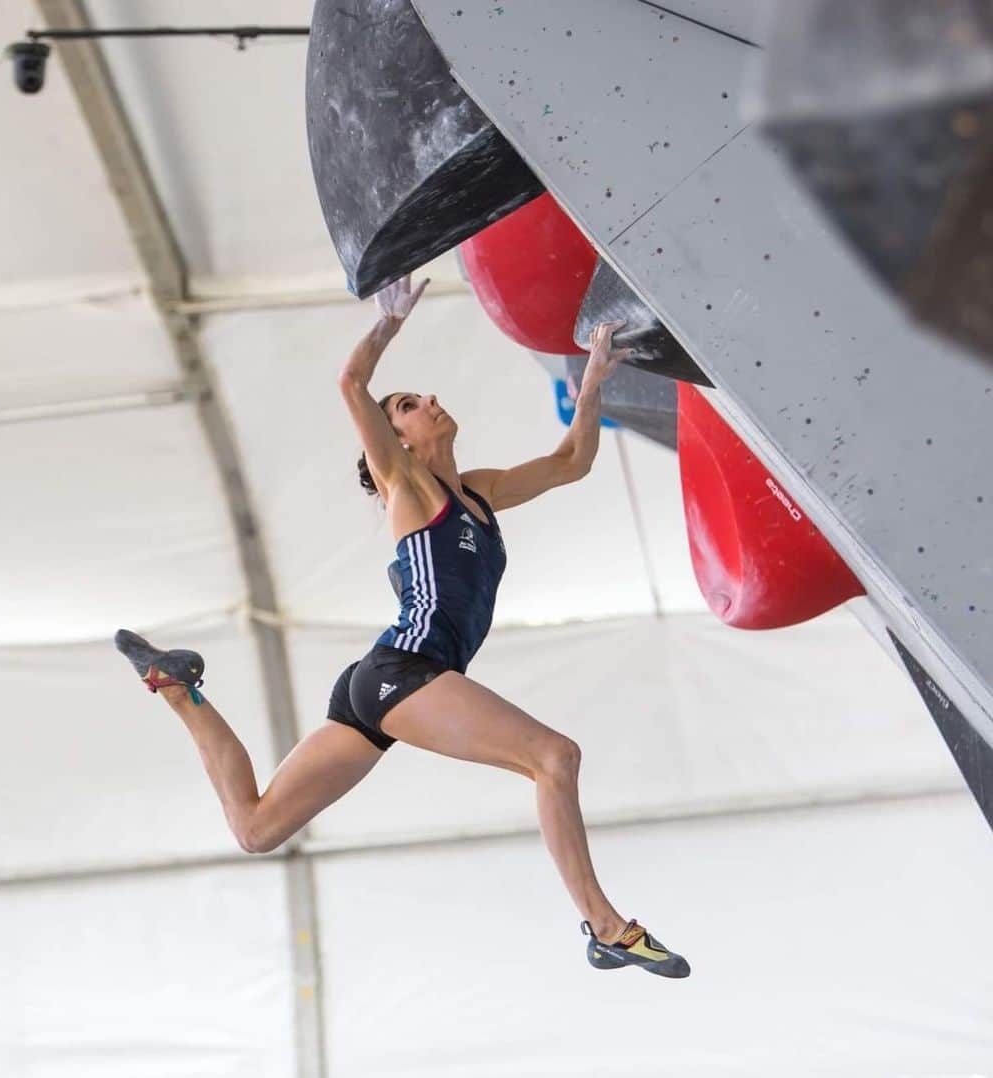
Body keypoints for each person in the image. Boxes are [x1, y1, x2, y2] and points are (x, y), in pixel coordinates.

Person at [115, 274, 689, 978]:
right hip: (406, 673)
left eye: (424, 396)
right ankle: (606, 928)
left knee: (256, 829)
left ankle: (180, 691)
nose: (430, 404)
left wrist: (595, 375)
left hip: (379, 683)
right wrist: (385, 326)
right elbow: (352, 382)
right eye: (409, 406)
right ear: (398, 442)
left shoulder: (477, 488)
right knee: (553, 758)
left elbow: (573, 461)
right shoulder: (406, 487)